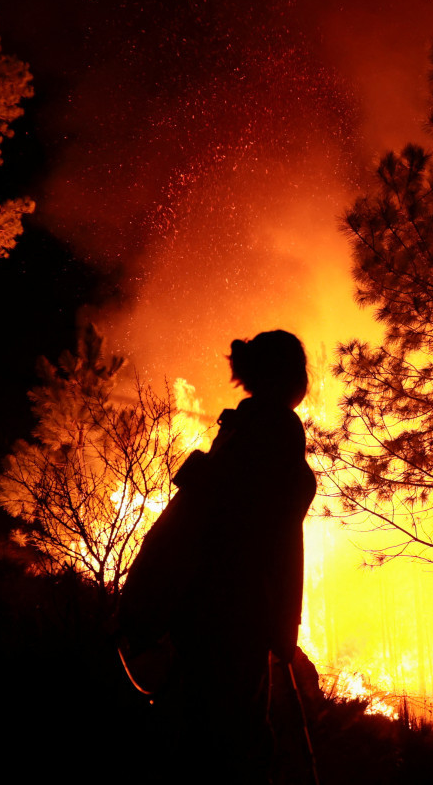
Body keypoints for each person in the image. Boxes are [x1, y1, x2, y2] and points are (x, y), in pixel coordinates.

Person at [120, 330, 316, 774]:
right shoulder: (274, 433)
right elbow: (276, 537)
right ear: (289, 377)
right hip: (238, 614)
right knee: (236, 745)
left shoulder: (239, 431)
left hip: (205, 612)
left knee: (205, 735)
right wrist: (284, 619)